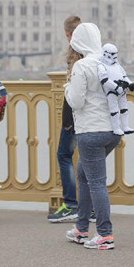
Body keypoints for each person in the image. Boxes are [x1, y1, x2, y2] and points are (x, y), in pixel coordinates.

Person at [64, 22, 121, 250]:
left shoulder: (81, 66)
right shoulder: (110, 62)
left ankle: (105, 234)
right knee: (84, 174)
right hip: (112, 130)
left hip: (90, 131)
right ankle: (80, 228)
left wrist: (68, 86)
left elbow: (76, 101)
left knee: (96, 182)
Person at [48, 16, 83, 223]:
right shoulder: (91, 53)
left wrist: (67, 120)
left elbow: (73, 90)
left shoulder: (75, 56)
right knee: (88, 160)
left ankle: (71, 204)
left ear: (67, 34)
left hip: (75, 116)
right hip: (91, 116)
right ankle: (92, 207)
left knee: (63, 155)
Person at [97, 43, 134, 135]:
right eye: (112, 54)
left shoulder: (117, 65)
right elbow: (104, 80)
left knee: (124, 108)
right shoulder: (101, 66)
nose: (114, 56)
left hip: (122, 90)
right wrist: (116, 87)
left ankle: (125, 126)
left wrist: (130, 84)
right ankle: (116, 128)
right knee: (114, 110)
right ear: (105, 53)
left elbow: (124, 76)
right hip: (112, 92)